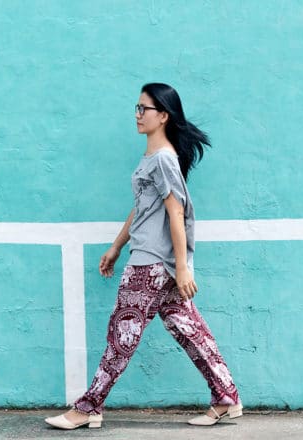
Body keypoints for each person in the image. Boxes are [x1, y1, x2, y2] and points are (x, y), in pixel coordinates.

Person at [45, 83, 242, 429]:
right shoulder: (152, 159)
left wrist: (183, 268)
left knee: (123, 333)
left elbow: (176, 212)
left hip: (151, 265)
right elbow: (141, 209)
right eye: (136, 108)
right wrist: (117, 245)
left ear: (163, 116)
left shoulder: (164, 159)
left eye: (144, 109)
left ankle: (89, 406)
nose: (138, 115)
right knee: (188, 329)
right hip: (153, 261)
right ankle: (226, 396)